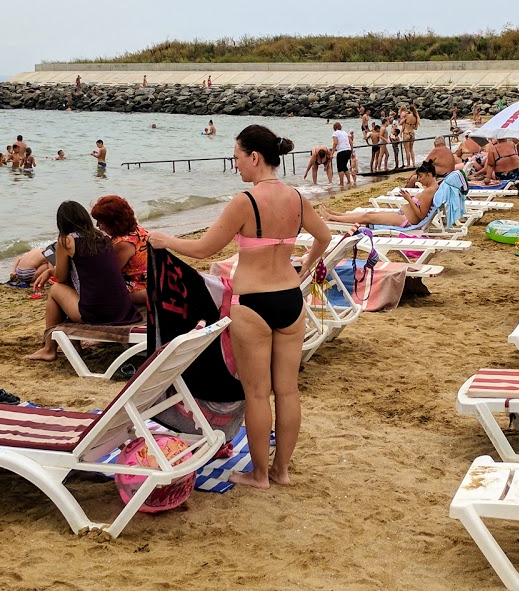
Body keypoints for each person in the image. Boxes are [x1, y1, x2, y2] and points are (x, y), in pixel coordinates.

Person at [149, 126, 332, 489]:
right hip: (289, 299)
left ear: (254, 157)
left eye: (236, 157)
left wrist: (165, 239)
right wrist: (305, 268)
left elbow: (205, 249)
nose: (235, 166)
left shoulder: (244, 202)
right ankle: (282, 471)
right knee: (289, 390)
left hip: (252, 303)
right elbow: (324, 236)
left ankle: (260, 475)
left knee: (257, 393)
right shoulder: (297, 197)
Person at [25, 202, 138, 360]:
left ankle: (49, 349)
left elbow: (61, 278)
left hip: (96, 312)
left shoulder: (66, 241)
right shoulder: (103, 237)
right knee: (72, 288)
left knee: (56, 290)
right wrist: (51, 270)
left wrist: (51, 271)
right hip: (121, 309)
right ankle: (74, 344)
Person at [319, 160, 440, 227]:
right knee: (369, 213)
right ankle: (335, 214)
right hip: (402, 215)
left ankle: (332, 217)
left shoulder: (429, 191)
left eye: (420, 177)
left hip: (404, 219)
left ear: (429, 174)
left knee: (367, 217)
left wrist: (409, 199)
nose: (419, 180)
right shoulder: (433, 187)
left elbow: (421, 215)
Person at [91, 194, 150, 306]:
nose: (98, 226)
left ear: (113, 223)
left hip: (140, 288)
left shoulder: (123, 244)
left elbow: (110, 274)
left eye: (101, 222)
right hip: (150, 280)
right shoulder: (137, 230)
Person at [330, 123, 353, 189]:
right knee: (344, 166)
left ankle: (341, 182)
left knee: (340, 167)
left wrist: (332, 153)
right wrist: (351, 151)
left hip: (341, 151)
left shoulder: (335, 133)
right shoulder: (345, 133)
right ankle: (349, 181)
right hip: (348, 150)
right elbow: (351, 142)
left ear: (334, 128)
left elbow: (335, 143)